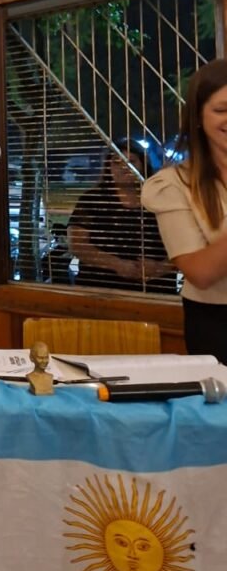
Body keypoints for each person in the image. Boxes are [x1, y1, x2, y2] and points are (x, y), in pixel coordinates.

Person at [143, 60, 227, 362]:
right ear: (198, 118)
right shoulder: (173, 184)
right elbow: (199, 272)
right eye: (221, 110)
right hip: (217, 323)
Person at [67, 138, 176, 293]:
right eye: (116, 162)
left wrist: (160, 268)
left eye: (132, 161)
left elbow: (185, 245)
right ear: (108, 167)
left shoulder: (162, 200)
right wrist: (118, 265)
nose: (124, 167)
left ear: (143, 165)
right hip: (101, 291)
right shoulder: (92, 200)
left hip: (155, 291)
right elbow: (77, 245)